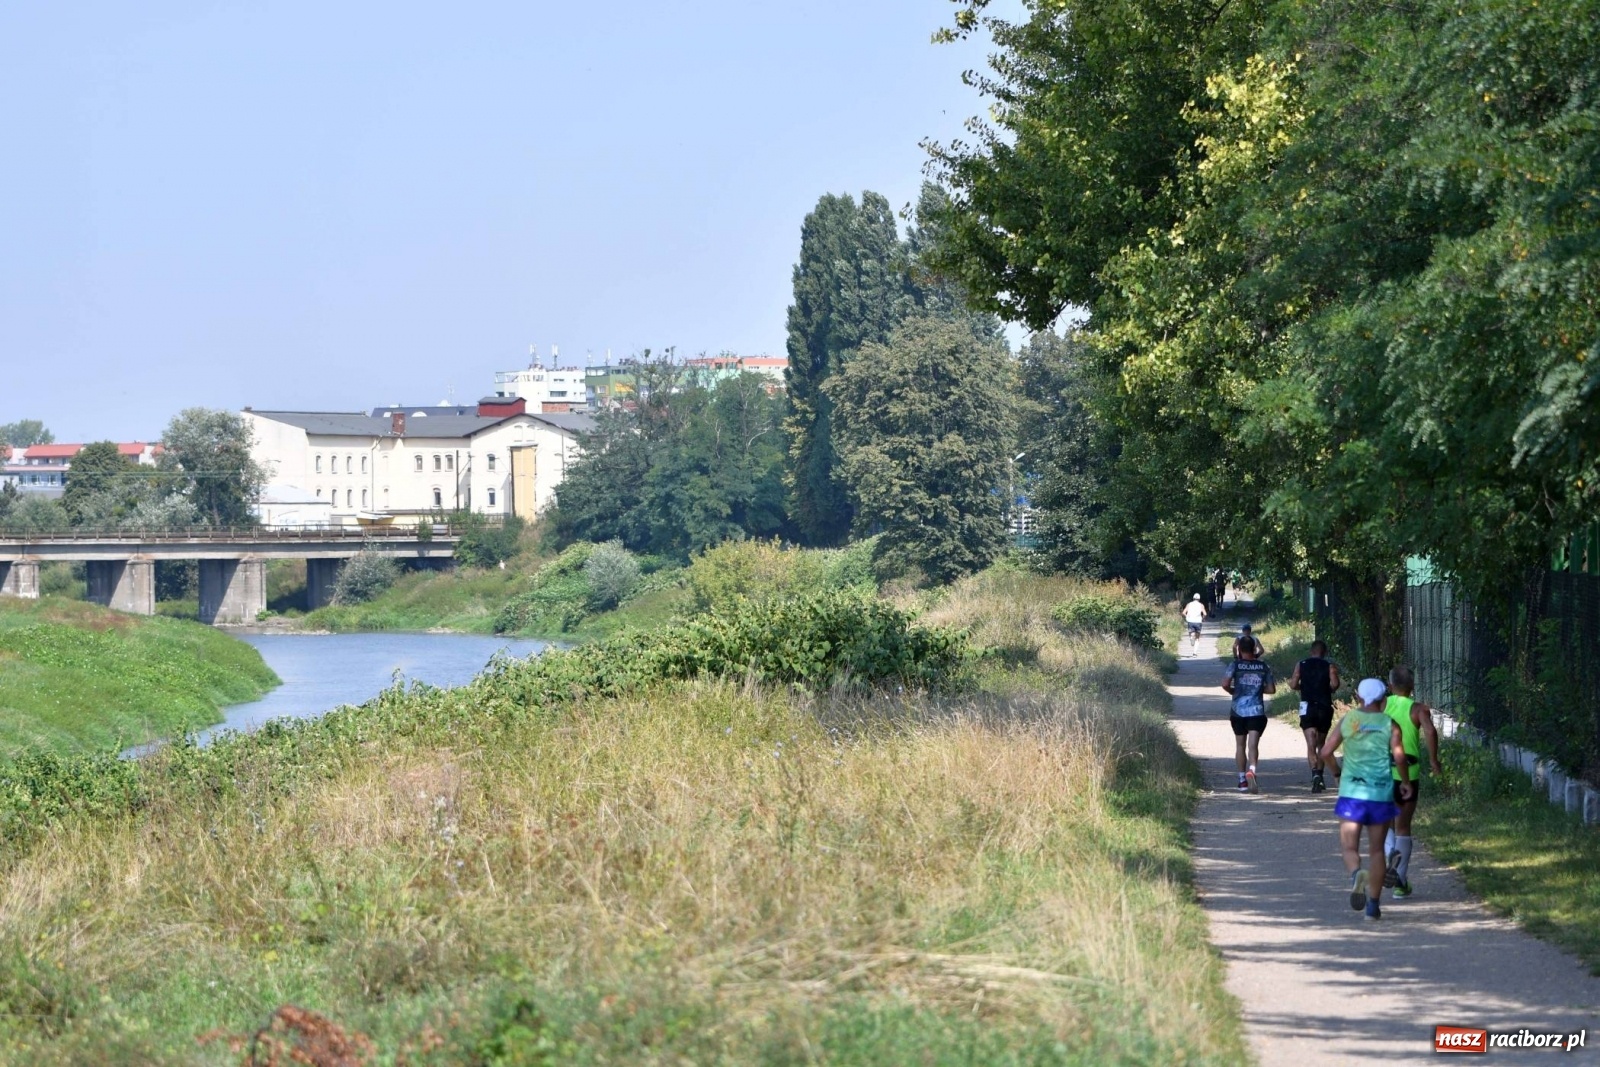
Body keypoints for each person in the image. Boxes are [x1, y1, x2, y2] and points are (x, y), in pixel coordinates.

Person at [1318, 678, 1412, 921]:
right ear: (1382, 700)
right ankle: (1373, 906)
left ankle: (1356, 874)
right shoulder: (1390, 724)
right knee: (1377, 850)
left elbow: (1325, 752)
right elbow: (1400, 758)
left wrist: (1336, 773)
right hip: (1380, 794)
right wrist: (1405, 782)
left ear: (1359, 698)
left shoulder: (1349, 720)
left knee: (1349, 847)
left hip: (1352, 793)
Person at [1382, 665, 1442, 899]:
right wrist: (1434, 760)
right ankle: (1400, 882)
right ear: (1412, 686)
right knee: (1403, 826)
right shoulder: (1418, 709)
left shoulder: (1381, 705)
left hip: (1381, 771)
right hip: (1408, 771)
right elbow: (1430, 732)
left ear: (1390, 686)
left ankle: (1391, 859)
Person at [1222, 639, 1275, 793]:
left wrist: (1234, 691)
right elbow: (1271, 689)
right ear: (1254, 649)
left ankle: (1242, 780)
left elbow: (1225, 684)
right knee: (1253, 745)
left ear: (1239, 649)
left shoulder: (1235, 665)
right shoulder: (1263, 666)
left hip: (1238, 710)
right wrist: (1257, 689)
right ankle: (1252, 769)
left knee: (1240, 745)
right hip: (1256, 711)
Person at [1288, 641, 1342, 793]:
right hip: (1324, 707)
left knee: (1310, 742)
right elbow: (1335, 684)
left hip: (1307, 706)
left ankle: (1315, 775)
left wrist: (1302, 687)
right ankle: (1320, 774)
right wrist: (1326, 688)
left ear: (1311, 651)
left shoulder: (1301, 664)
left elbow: (1293, 684)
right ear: (1324, 652)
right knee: (1321, 743)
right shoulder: (1329, 666)